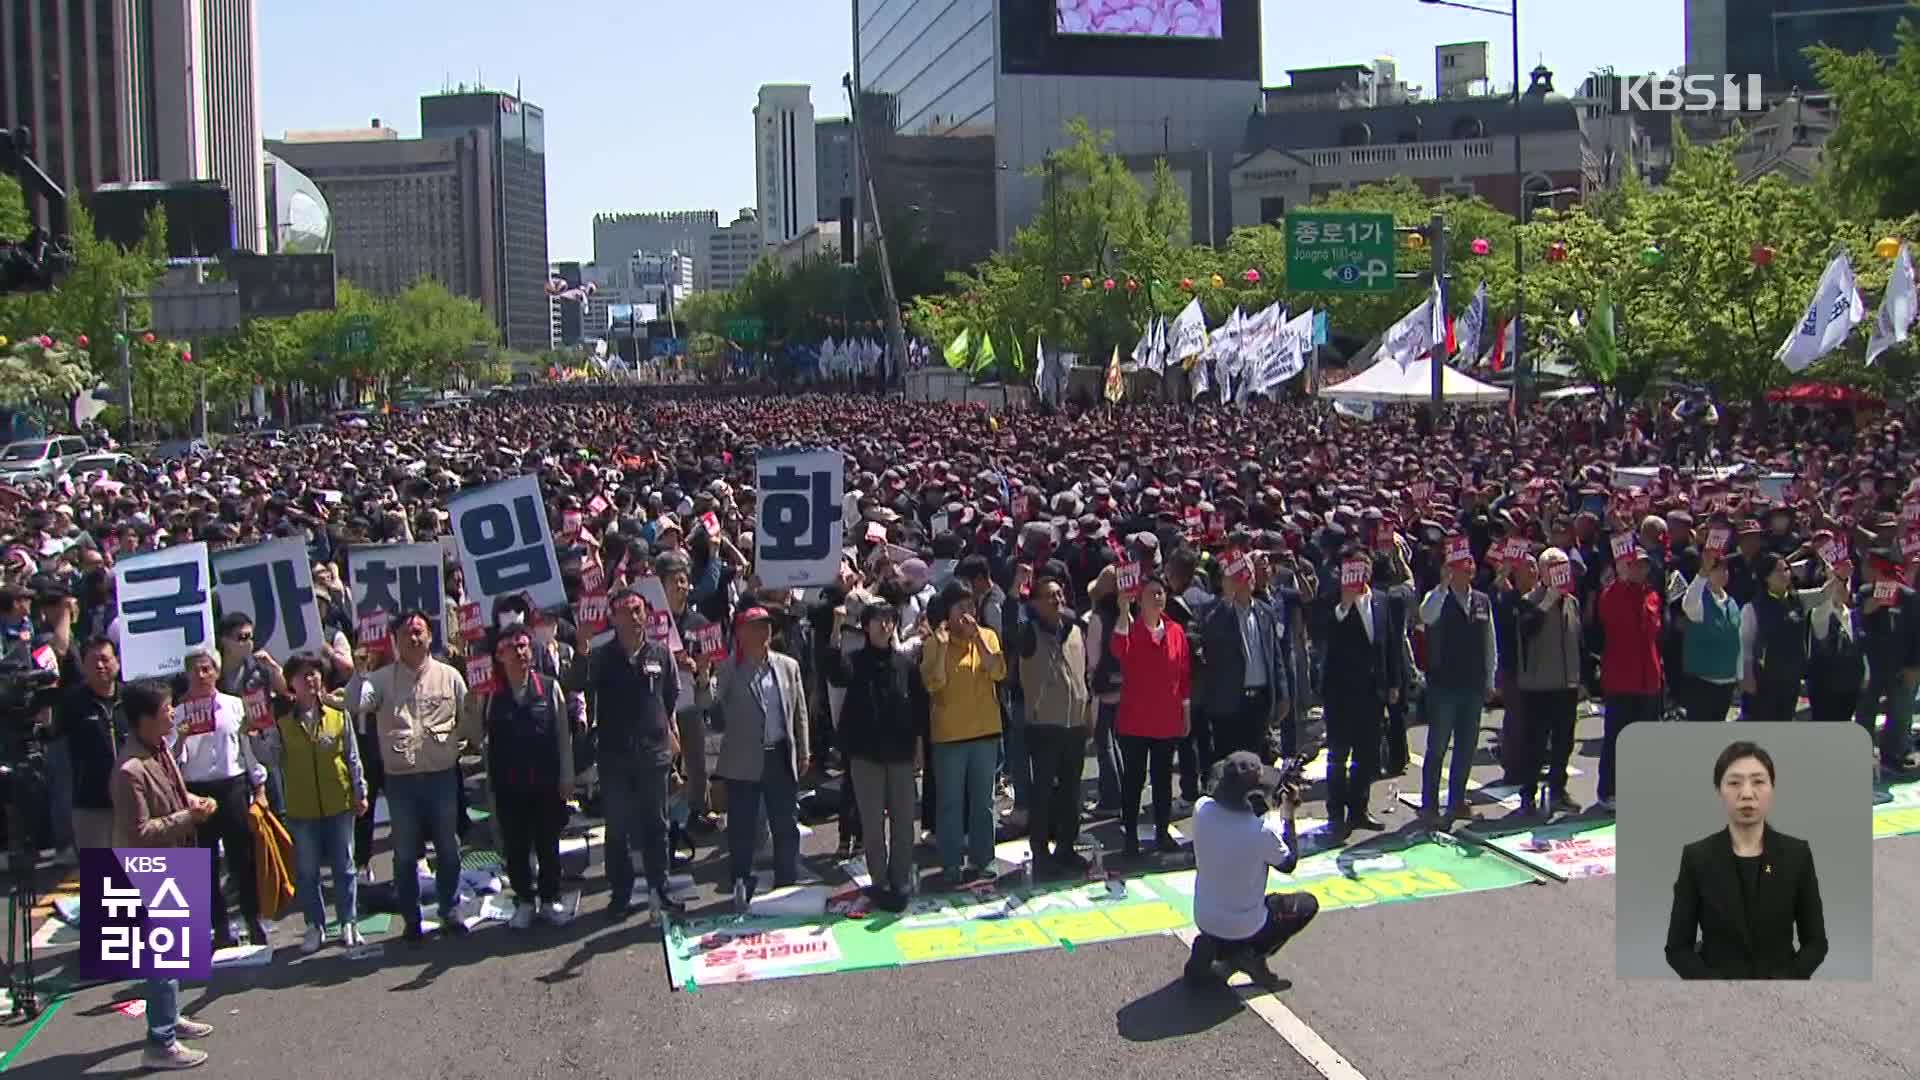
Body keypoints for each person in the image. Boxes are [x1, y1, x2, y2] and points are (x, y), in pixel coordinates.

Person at [111, 679, 220, 1071]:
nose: (173, 714)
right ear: (144, 719)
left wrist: (194, 802)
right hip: (146, 870)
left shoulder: (160, 750)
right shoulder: (129, 770)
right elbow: (138, 832)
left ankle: (170, 1018)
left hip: (174, 860)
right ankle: (160, 1041)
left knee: (173, 953)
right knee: (159, 960)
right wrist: (189, 817)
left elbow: (175, 793)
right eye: (166, 710)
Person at [1664, 741, 1827, 979]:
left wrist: (1788, 979)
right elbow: (1678, 948)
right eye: (1734, 783)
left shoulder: (1796, 854)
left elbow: (1816, 943)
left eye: (1759, 782)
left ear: (1772, 788)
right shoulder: (1697, 857)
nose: (1747, 794)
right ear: (1718, 790)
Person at [568, 587, 681, 921]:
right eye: (624, 611)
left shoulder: (661, 654)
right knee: (617, 829)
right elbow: (576, 683)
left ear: (646, 614)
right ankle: (621, 894)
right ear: (613, 618)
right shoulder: (601, 657)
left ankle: (660, 889)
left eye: (637, 610)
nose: (632, 618)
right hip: (615, 757)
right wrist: (581, 650)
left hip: (653, 755)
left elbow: (670, 696)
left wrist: (662, 732)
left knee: (657, 825)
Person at [361, 609, 472, 944]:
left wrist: (457, 746)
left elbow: (468, 716)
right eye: (407, 633)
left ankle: (449, 911)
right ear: (395, 641)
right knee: (406, 854)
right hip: (402, 780)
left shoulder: (449, 676)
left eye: (420, 631)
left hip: (441, 776)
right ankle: (412, 920)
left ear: (430, 637)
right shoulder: (380, 680)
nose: (414, 638)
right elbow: (357, 703)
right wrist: (358, 672)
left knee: (448, 849)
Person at [1183, 751, 1318, 989]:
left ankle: (1216, 947)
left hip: (1204, 916)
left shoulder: (1202, 809)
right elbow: (1288, 863)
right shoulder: (1261, 832)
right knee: (1306, 904)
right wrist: (1288, 815)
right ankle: (1252, 953)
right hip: (1246, 924)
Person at [822, 600, 923, 911]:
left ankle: (901, 879)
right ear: (866, 627)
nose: (885, 625)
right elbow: (836, 672)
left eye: (890, 620)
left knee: (905, 822)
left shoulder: (905, 664)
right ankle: (879, 882)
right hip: (866, 754)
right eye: (878, 620)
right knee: (872, 823)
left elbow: (919, 708)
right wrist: (836, 629)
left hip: (901, 753)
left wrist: (919, 747)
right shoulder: (855, 660)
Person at [707, 605, 809, 911]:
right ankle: (741, 881)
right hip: (742, 759)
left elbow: (799, 713)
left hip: (779, 753)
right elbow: (710, 705)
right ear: (740, 633)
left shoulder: (787, 665)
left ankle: (787, 882)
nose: (763, 632)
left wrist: (804, 750)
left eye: (766, 626)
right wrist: (701, 679)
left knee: (785, 821)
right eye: (755, 626)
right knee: (742, 825)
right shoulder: (729, 669)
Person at [478, 624, 575, 929]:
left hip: (545, 782)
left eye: (524, 646)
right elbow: (476, 736)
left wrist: (567, 777)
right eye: (513, 648)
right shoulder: (491, 695)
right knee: (516, 847)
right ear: (500, 655)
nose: (520, 653)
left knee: (548, 844)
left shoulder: (549, 687)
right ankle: (524, 901)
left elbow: (562, 735)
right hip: (509, 785)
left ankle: (549, 899)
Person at [172, 649, 269, 949]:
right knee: (205, 864)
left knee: (243, 858)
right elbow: (172, 761)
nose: (201, 676)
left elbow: (248, 748)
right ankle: (221, 928)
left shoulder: (234, 705)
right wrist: (182, 737)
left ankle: (253, 919)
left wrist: (260, 788)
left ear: (215, 672)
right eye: (195, 671)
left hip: (233, 785)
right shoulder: (178, 713)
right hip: (197, 791)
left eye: (206, 669)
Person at [273, 653, 368, 953]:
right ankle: (315, 925)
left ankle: (348, 921)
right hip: (302, 808)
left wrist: (360, 790)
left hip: (338, 802)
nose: (311, 680)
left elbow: (352, 757)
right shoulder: (284, 724)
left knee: (345, 866)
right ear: (291, 684)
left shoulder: (338, 716)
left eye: (315, 674)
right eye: (303, 676)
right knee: (307, 871)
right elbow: (271, 757)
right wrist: (255, 736)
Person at [920, 582, 1007, 885]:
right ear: (948, 613)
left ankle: (984, 860)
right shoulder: (934, 643)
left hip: (985, 732)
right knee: (950, 803)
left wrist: (978, 641)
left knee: (983, 802)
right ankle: (950, 863)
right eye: (960, 608)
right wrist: (943, 647)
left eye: (971, 607)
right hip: (949, 735)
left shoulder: (988, 636)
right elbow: (934, 684)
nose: (967, 614)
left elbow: (998, 672)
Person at [1320, 550, 1406, 838]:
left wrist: (1394, 683)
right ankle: (1335, 813)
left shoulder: (1382, 600)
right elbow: (1323, 635)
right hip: (1341, 693)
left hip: (1373, 692)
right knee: (1338, 756)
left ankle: (1359, 809)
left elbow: (1391, 643)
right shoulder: (1333, 600)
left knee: (1366, 756)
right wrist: (1345, 604)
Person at [1014, 568, 1093, 874]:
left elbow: (1082, 675)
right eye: (1049, 596)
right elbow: (1012, 624)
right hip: (1044, 723)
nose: (1057, 600)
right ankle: (1040, 851)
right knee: (1043, 790)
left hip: (1074, 723)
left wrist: (1087, 714)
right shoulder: (1029, 634)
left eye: (1059, 594)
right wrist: (1013, 593)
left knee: (1071, 791)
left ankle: (1066, 847)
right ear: (1035, 604)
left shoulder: (1075, 631)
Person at [1110, 576, 1192, 857]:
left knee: (1162, 779)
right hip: (1135, 719)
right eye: (1152, 594)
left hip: (1166, 718)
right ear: (1140, 599)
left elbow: (1183, 674)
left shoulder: (1176, 631)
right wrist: (1123, 611)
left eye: (1161, 593)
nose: (1158, 598)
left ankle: (1161, 831)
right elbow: (1117, 649)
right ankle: (1130, 835)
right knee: (1134, 779)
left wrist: (1186, 710)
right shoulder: (1130, 629)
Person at [1417, 542, 1497, 823]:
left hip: (1472, 683)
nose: (1465, 571)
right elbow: (1425, 616)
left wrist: (1490, 678)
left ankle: (1457, 799)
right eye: (1458, 566)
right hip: (1443, 683)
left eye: (1468, 566)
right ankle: (1429, 803)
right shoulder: (1436, 597)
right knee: (1437, 745)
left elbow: (1490, 643)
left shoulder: (1482, 601)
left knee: (1466, 745)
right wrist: (1441, 586)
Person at [1596, 543, 1666, 813]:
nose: (1641, 569)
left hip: (1648, 676)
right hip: (1621, 678)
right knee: (1616, 738)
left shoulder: (1651, 595)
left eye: (1644, 565)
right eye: (1635, 564)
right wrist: (1621, 582)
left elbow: (1654, 631)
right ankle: (1609, 791)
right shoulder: (1613, 593)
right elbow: (1608, 614)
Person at [1516, 548, 1584, 819]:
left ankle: (1557, 790)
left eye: (1563, 566)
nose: (1559, 571)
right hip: (1537, 685)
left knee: (1564, 742)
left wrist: (1582, 679)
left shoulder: (1572, 602)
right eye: (1553, 566)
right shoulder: (1529, 600)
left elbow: (1578, 640)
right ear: (1543, 572)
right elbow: (1526, 629)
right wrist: (1547, 601)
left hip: (1566, 683)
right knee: (1534, 743)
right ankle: (1528, 794)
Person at [56, 636, 124, 852]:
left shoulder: (133, 699)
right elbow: (50, 733)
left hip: (134, 801)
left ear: (118, 661)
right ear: (83, 666)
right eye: (93, 661)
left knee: (147, 873)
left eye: (105, 659)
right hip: (92, 804)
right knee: (103, 878)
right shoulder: (72, 703)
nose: (100, 665)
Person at [1679, 548, 1742, 724]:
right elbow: (1689, 602)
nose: (1723, 573)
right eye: (1717, 569)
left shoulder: (1732, 602)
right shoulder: (1700, 602)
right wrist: (1702, 573)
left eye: (1725, 569)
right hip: (1703, 684)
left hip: (1727, 682)